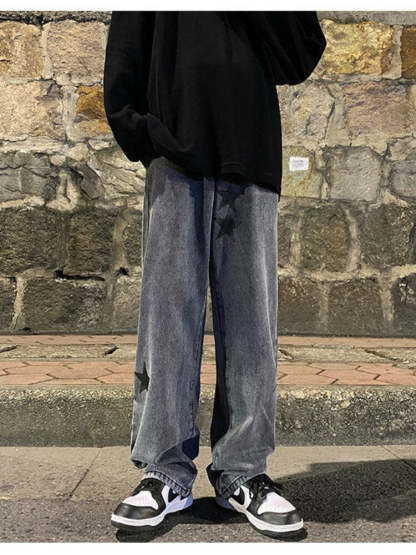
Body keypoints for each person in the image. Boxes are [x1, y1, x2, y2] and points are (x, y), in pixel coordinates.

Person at [103, 11, 326, 540]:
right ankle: (165, 470)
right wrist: (142, 131)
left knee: (252, 321)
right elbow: (128, 44)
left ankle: (243, 471)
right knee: (167, 317)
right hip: (173, 152)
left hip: (251, 149)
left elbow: (299, 55)